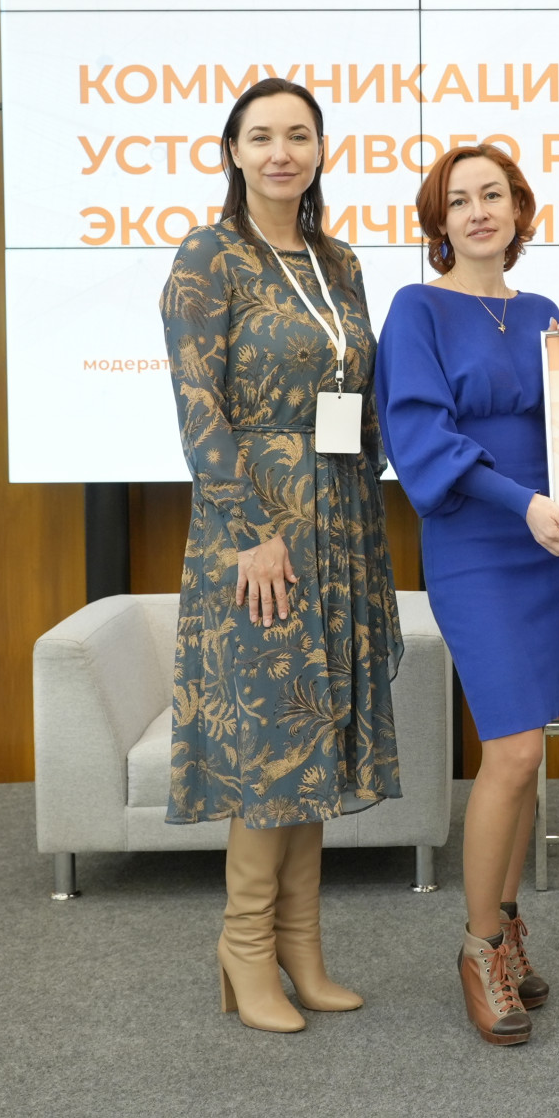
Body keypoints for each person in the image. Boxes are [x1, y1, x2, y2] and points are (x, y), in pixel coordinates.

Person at [158, 77, 402, 1034]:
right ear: (233, 151)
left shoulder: (339, 261)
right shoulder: (208, 255)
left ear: (320, 149)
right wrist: (251, 532)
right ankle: (245, 945)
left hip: (340, 519)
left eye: (298, 135)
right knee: (270, 741)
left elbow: (362, 401)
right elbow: (198, 410)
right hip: (256, 528)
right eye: (261, 136)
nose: (281, 152)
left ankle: (301, 945)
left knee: (312, 734)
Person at [375, 144, 559, 1048]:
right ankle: (477, 949)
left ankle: (507, 924)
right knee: (512, 748)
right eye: (458, 200)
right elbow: (423, 441)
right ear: (439, 220)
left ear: (518, 210)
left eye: (492, 195)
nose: (477, 212)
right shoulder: (416, 308)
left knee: (529, 750)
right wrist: (524, 503)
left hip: (549, 547)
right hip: (478, 543)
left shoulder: (542, 313)